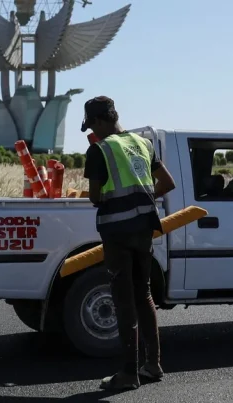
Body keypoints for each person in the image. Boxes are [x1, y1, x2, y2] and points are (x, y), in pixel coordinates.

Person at [81, 96, 176, 391]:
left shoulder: (99, 150)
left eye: (91, 126)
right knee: (143, 294)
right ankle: (153, 364)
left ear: (99, 121)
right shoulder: (143, 143)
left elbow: (95, 196)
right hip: (144, 230)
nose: (92, 132)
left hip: (117, 232)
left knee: (123, 300)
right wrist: (142, 198)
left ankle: (128, 373)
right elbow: (167, 183)